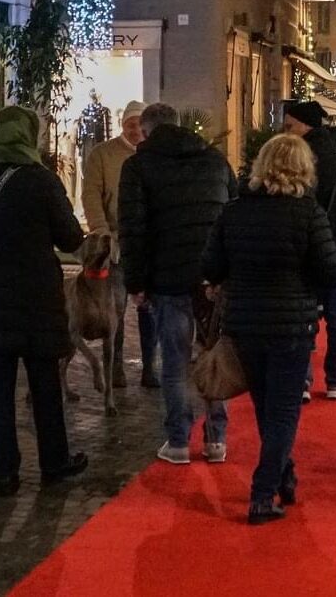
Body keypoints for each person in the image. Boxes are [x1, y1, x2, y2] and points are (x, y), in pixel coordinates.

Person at [202, 134, 336, 524]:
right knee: (282, 413)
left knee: (267, 408)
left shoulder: (234, 212)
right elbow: (331, 273)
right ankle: (262, 494)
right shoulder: (307, 214)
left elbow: (211, 266)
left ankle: (283, 475)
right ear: (304, 169)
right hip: (290, 326)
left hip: (245, 324)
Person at [0, 105, 89, 497]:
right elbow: (70, 239)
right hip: (37, 302)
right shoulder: (42, 182)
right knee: (45, 385)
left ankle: (4, 474)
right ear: (31, 136)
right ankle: (54, 462)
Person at [119, 102, 237, 465]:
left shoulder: (138, 167)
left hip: (168, 277)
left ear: (148, 131)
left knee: (174, 361)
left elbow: (133, 231)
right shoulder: (215, 161)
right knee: (213, 355)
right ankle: (216, 439)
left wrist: (135, 283)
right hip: (210, 278)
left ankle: (179, 440)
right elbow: (233, 211)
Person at [80, 101, 161, 388]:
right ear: (122, 125)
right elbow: (91, 194)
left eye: (140, 124)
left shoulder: (154, 155)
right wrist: (102, 232)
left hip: (146, 246)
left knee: (148, 307)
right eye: (131, 124)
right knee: (114, 309)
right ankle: (115, 367)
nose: (136, 129)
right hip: (114, 245)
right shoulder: (103, 155)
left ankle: (149, 366)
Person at [282, 100, 336, 400]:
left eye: (290, 126)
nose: (287, 133)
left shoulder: (302, 155)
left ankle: (302, 381)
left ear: (305, 125)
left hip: (309, 243)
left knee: (305, 316)